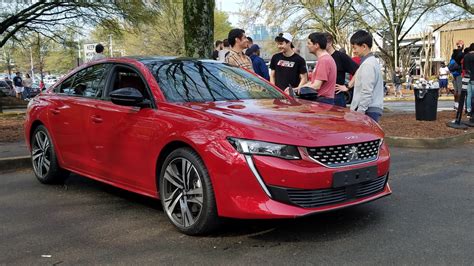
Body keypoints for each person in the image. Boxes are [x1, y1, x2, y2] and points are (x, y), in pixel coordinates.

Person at [338, 30, 384, 122]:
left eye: (355, 48)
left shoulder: (368, 65)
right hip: (371, 109)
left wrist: (359, 113)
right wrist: (348, 86)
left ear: (364, 46)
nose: (354, 51)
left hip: (368, 110)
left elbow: (366, 92)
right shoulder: (370, 62)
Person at [285, 32, 337, 105]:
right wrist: (295, 89)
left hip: (323, 101)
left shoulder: (324, 60)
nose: (307, 45)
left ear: (316, 45)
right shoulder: (324, 59)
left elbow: (316, 85)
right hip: (323, 101)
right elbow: (313, 83)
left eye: (309, 43)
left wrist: (295, 90)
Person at [325, 33, 359, 107]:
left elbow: (359, 70)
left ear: (330, 43)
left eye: (322, 42)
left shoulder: (341, 56)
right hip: (324, 97)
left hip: (337, 97)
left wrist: (348, 86)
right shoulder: (323, 57)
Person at [449, 41, 465, 110]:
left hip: (453, 73)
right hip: (459, 74)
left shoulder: (453, 53)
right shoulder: (461, 54)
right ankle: (459, 106)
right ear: (462, 46)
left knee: (456, 90)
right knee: (460, 90)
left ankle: (455, 105)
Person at [463, 43, 474, 118]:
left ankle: (469, 111)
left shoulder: (466, 56)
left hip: (467, 77)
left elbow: (464, 67)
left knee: (469, 95)